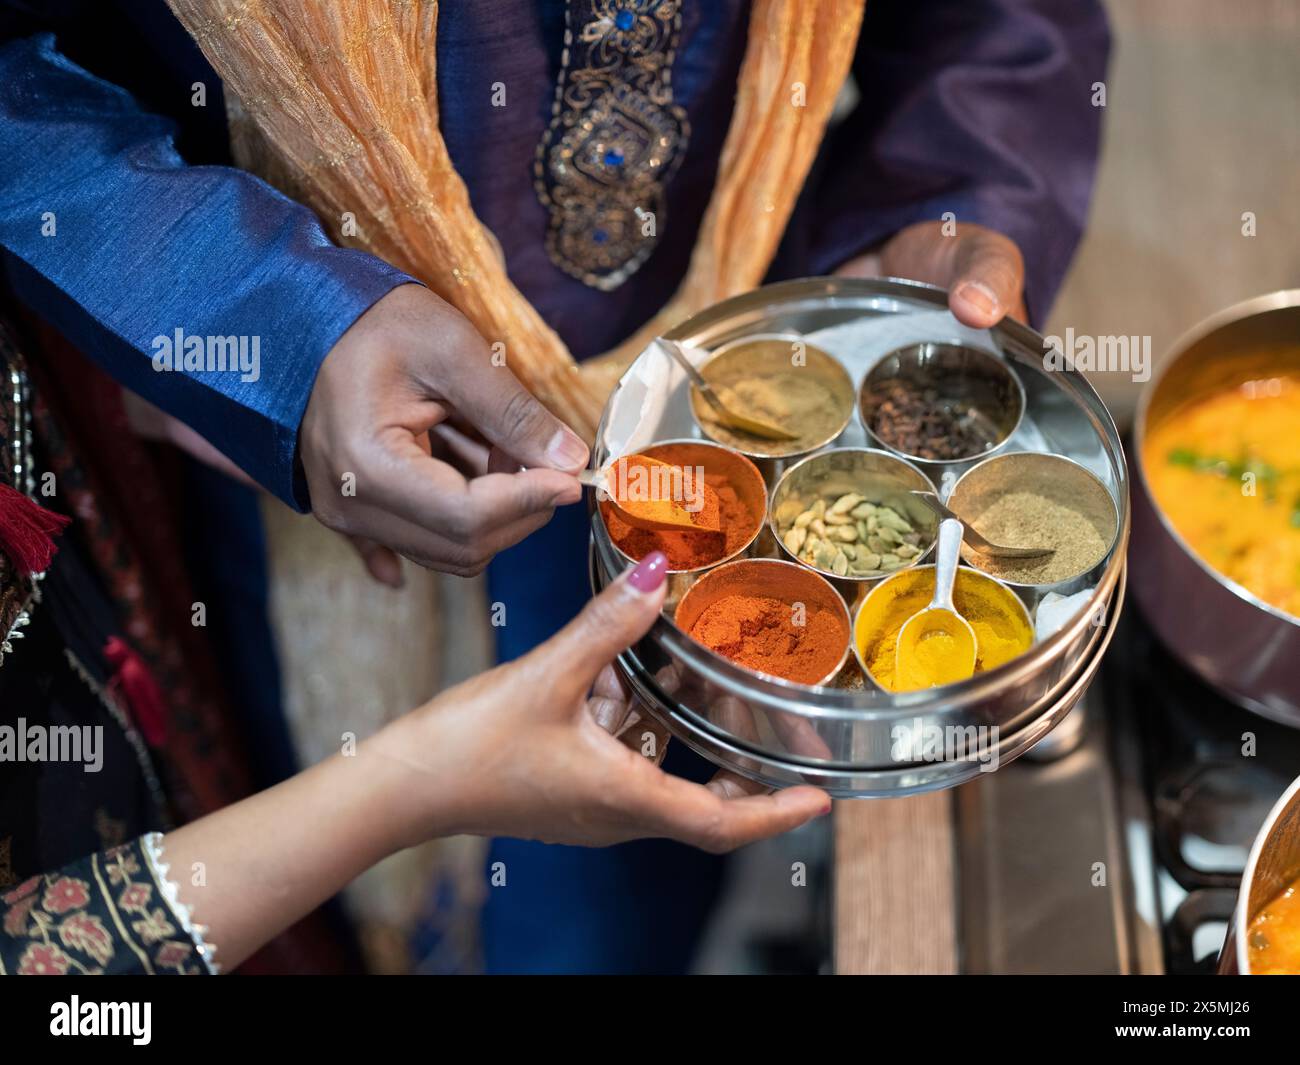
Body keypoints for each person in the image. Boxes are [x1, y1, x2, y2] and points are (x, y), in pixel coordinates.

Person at [0, 0, 1109, 973]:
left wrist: (955, 195)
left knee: (632, 886)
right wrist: (274, 322)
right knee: (337, 859)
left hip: (747, 416)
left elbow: (1002, 27)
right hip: (327, 459)